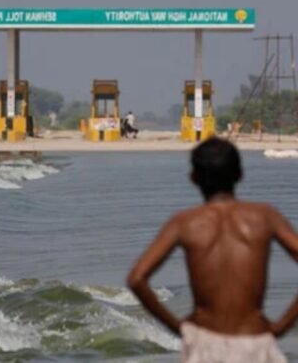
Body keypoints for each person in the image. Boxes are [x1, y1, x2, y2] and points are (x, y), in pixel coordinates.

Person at [127, 138, 297, 362]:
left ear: (193, 178)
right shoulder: (264, 217)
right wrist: (282, 326)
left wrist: (178, 327)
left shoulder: (184, 222)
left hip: (204, 341)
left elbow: (137, 279)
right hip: (255, 338)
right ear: (239, 175)